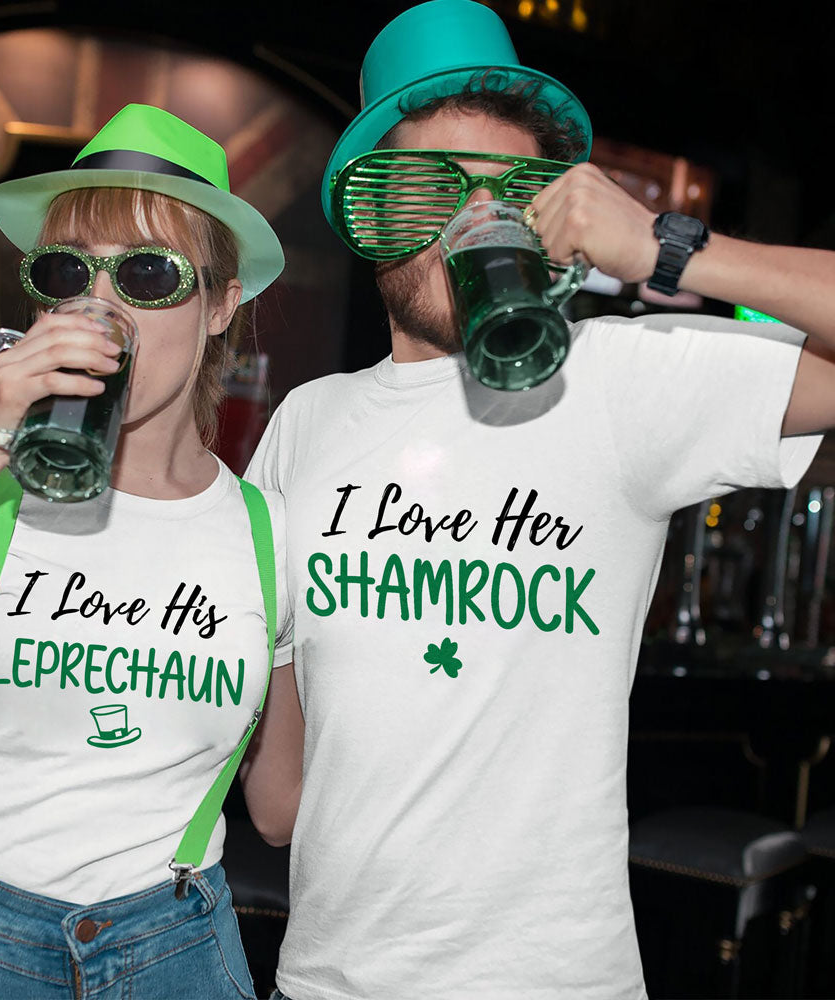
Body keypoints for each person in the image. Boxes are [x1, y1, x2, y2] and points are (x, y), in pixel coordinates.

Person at [242, 2, 835, 998]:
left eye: (506, 194)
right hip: (327, 981)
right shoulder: (306, 422)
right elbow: (280, 802)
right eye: (432, 191)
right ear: (375, 216)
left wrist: (670, 249)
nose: (477, 222)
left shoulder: (616, 381)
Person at [0, 103, 302, 999]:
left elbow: (278, 812)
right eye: (66, 272)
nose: (99, 305)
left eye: (147, 273)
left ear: (220, 306)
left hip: (178, 947)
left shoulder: (269, 532)